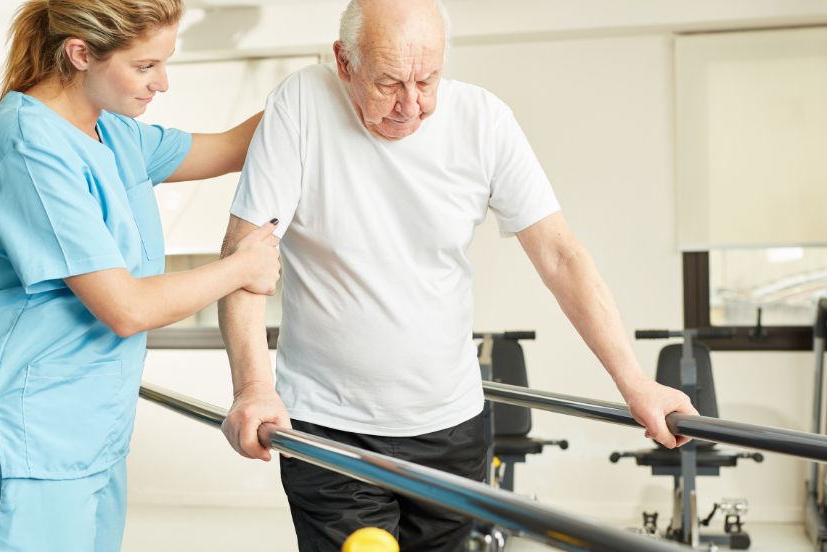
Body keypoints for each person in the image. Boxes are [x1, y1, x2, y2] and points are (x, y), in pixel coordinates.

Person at [217, 0, 699, 550]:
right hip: (329, 426)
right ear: (344, 62)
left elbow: (560, 256)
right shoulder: (301, 103)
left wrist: (635, 383)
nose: (411, 105)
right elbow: (243, 255)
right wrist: (251, 387)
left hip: (451, 426)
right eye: (389, 82)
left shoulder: (484, 121)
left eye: (427, 79)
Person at [0, 1, 280, 550]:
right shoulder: (27, 143)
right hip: (21, 444)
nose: (162, 82)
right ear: (80, 53)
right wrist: (241, 268)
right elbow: (127, 308)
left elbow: (235, 145)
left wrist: (325, 94)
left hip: (90, 439)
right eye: (145, 67)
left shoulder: (115, 135)